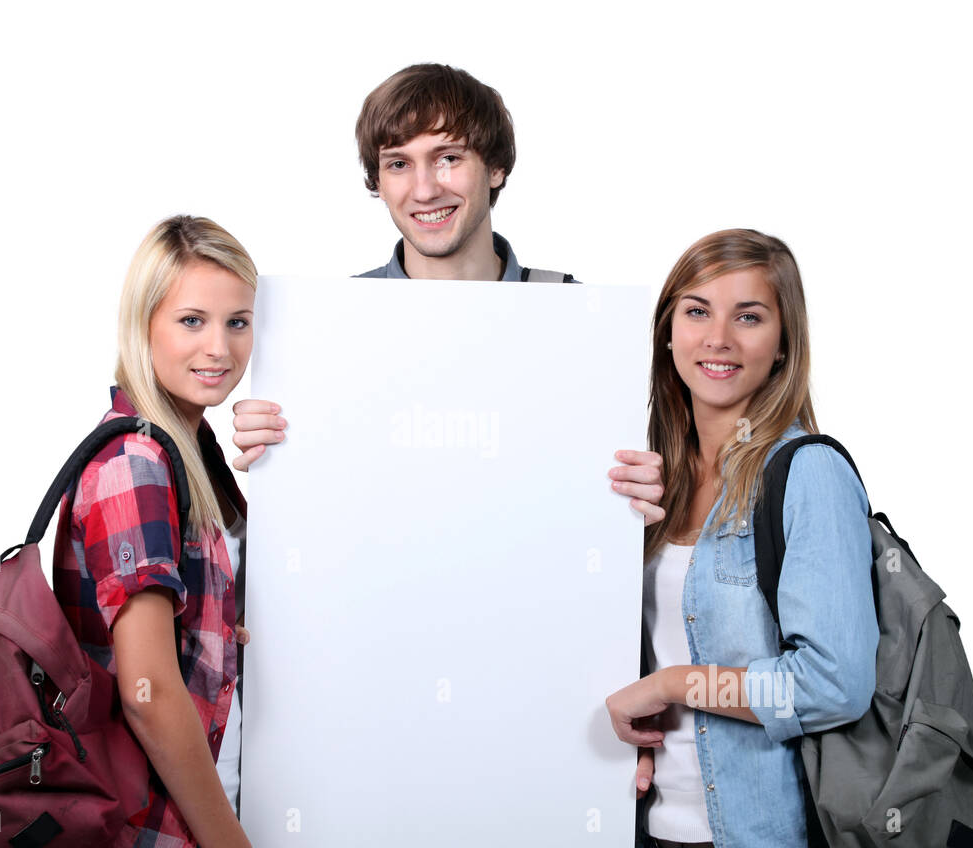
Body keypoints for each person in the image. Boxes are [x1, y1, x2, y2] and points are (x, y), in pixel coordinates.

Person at [232, 63, 665, 520]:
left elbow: (586, 487)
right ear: (377, 183)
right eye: (399, 164)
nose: (424, 189)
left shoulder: (579, 315)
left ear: (495, 167)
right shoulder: (326, 325)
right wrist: (276, 447)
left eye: (449, 159)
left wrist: (638, 494)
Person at [604, 228, 879, 848]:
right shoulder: (649, 482)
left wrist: (672, 684)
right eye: (696, 311)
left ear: (783, 346)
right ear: (668, 331)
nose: (718, 338)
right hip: (644, 843)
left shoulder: (807, 474)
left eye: (748, 317)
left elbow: (833, 684)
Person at [52, 215, 259, 848]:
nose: (220, 349)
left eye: (238, 321)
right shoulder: (137, 461)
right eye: (192, 321)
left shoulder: (192, 451)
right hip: (151, 839)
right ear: (145, 326)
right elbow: (150, 693)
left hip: (193, 815)